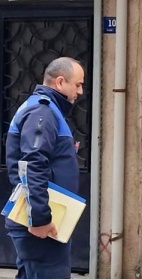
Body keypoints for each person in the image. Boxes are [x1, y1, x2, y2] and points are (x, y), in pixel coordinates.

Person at [5, 57, 85, 279]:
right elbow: (32, 165)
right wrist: (39, 218)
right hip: (40, 226)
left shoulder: (43, 110)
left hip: (40, 219)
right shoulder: (43, 113)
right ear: (60, 82)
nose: (80, 91)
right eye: (77, 84)